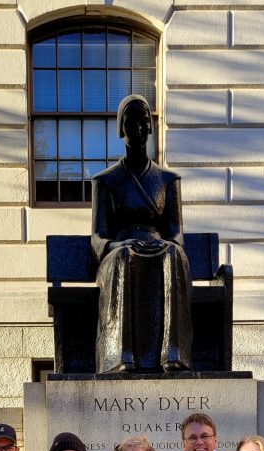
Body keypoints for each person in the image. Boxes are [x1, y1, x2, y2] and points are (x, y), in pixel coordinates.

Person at [91, 93, 192, 374]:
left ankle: (172, 354)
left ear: (150, 127)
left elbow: (176, 233)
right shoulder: (106, 181)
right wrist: (116, 244)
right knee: (125, 256)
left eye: (143, 122)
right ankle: (119, 356)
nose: (138, 129)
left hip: (158, 248)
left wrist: (162, 244)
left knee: (172, 254)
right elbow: (98, 236)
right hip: (120, 250)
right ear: (121, 127)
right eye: (131, 122)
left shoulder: (167, 180)